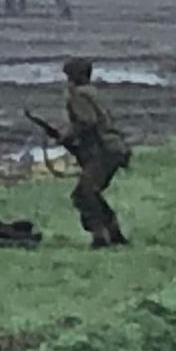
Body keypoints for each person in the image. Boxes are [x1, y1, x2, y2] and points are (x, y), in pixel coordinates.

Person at [61, 57, 132, 248]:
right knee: (90, 191)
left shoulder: (78, 95)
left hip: (103, 149)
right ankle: (113, 231)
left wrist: (67, 137)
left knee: (84, 194)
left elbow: (87, 122)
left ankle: (100, 235)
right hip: (114, 148)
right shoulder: (93, 92)